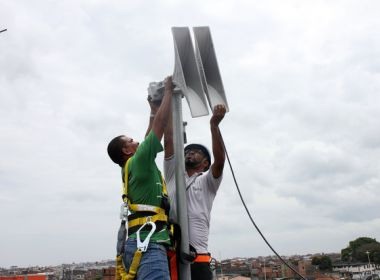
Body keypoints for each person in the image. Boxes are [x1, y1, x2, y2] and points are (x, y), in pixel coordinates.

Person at [107, 76, 173, 280]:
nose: (136, 141)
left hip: (137, 242)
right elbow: (159, 126)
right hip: (149, 243)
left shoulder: (129, 167)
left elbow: (147, 137)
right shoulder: (138, 162)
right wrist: (169, 92)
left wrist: (153, 108)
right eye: (131, 141)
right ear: (127, 150)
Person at [164, 103, 227, 280]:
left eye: (196, 152)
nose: (190, 153)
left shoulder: (207, 182)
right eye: (187, 151)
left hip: (197, 258)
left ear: (205, 163)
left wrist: (214, 126)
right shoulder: (172, 176)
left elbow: (220, 161)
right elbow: (168, 140)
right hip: (171, 257)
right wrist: (167, 106)